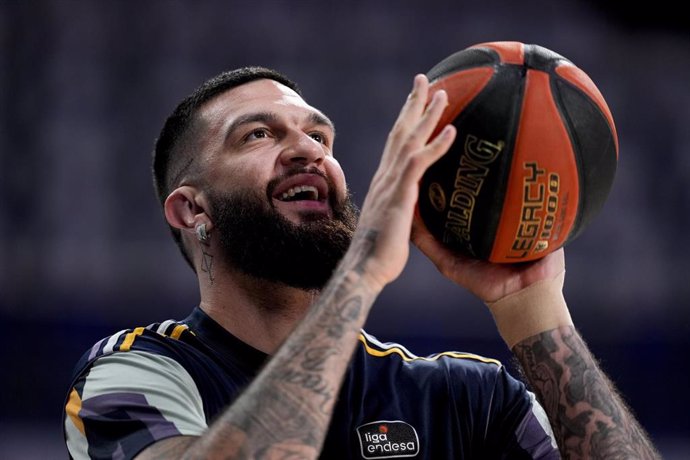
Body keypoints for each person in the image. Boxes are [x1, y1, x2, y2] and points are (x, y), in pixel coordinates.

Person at [63, 66, 659, 459]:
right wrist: (363, 270)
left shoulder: (466, 397)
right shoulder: (134, 377)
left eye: (320, 137)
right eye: (257, 136)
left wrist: (537, 315)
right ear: (193, 209)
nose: (307, 150)